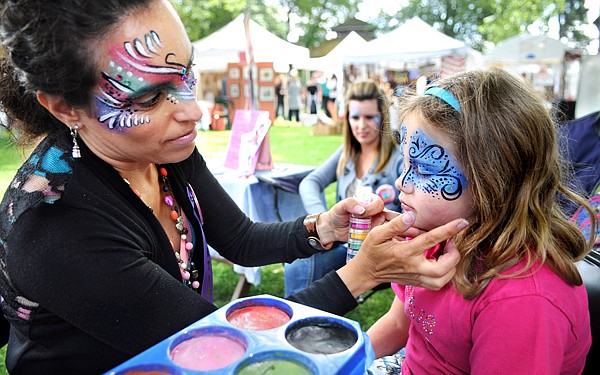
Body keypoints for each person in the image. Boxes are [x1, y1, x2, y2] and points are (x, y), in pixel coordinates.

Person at [0, 0, 468, 373]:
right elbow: (216, 345)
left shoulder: (162, 149)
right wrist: (363, 273)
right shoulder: (56, 225)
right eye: (149, 95)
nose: (192, 110)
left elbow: (240, 239)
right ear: (65, 108)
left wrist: (324, 226)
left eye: (186, 74)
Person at [366, 68, 594, 374]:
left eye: (423, 168)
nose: (401, 183)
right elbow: (398, 322)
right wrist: (343, 359)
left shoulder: (523, 302)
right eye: (405, 163)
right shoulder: (434, 237)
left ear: (491, 181)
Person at [285, 80, 404, 296]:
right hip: (343, 240)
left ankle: (298, 317)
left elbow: (411, 212)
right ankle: (302, 317)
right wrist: (323, 218)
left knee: (305, 264)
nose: (361, 125)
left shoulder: (399, 159)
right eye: (355, 117)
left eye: (369, 117)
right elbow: (310, 183)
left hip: (376, 248)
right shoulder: (347, 153)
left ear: (383, 118)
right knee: (301, 252)